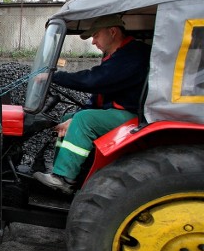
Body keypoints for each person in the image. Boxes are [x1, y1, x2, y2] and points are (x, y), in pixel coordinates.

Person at [33, 14, 152, 194]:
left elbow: (94, 80)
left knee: (83, 120)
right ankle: (63, 173)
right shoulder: (116, 56)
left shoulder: (134, 54)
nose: (93, 42)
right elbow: (99, 94)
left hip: (134, 115)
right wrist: (74, 117)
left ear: (112, 32)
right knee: (69, 118)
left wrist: (54, 77)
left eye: (96, 35)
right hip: (116, 111)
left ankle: (64, 178)